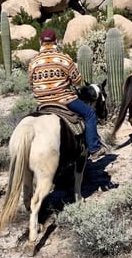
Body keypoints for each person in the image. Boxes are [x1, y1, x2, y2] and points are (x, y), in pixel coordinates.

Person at [28, 28, 107, 161]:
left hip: (43, 103)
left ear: (40, 42)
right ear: (56, 42)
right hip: (64, 100)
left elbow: (31, 83)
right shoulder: (63, 58)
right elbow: (78, 81)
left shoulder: (33, 62)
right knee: (89, 114)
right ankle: (94, 148)